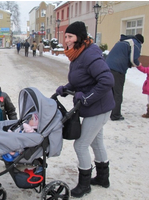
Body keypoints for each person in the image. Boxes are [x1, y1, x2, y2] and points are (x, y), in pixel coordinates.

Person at [55, 21, 115, 198]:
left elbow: (107, 80)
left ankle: (85, 184)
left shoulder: (89, 55)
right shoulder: (78, 54)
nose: (66, 40)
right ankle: (103, 178)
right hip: (94, 107)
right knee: (96, 142)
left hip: (98, 107)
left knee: (80, 144)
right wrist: (66, 88)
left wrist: (87, 98)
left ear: (79, 38)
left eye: (70, 36)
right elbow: (81, 79)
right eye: (65, 36)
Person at [106, 33, 144, 121]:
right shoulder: (135, 43)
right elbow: (133, 59)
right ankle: (115, 115)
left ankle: (107, 111)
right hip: (117, 69)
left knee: (109, 91)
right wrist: (138, 64)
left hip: (107, 67)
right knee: (117, 93)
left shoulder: (123, 41)